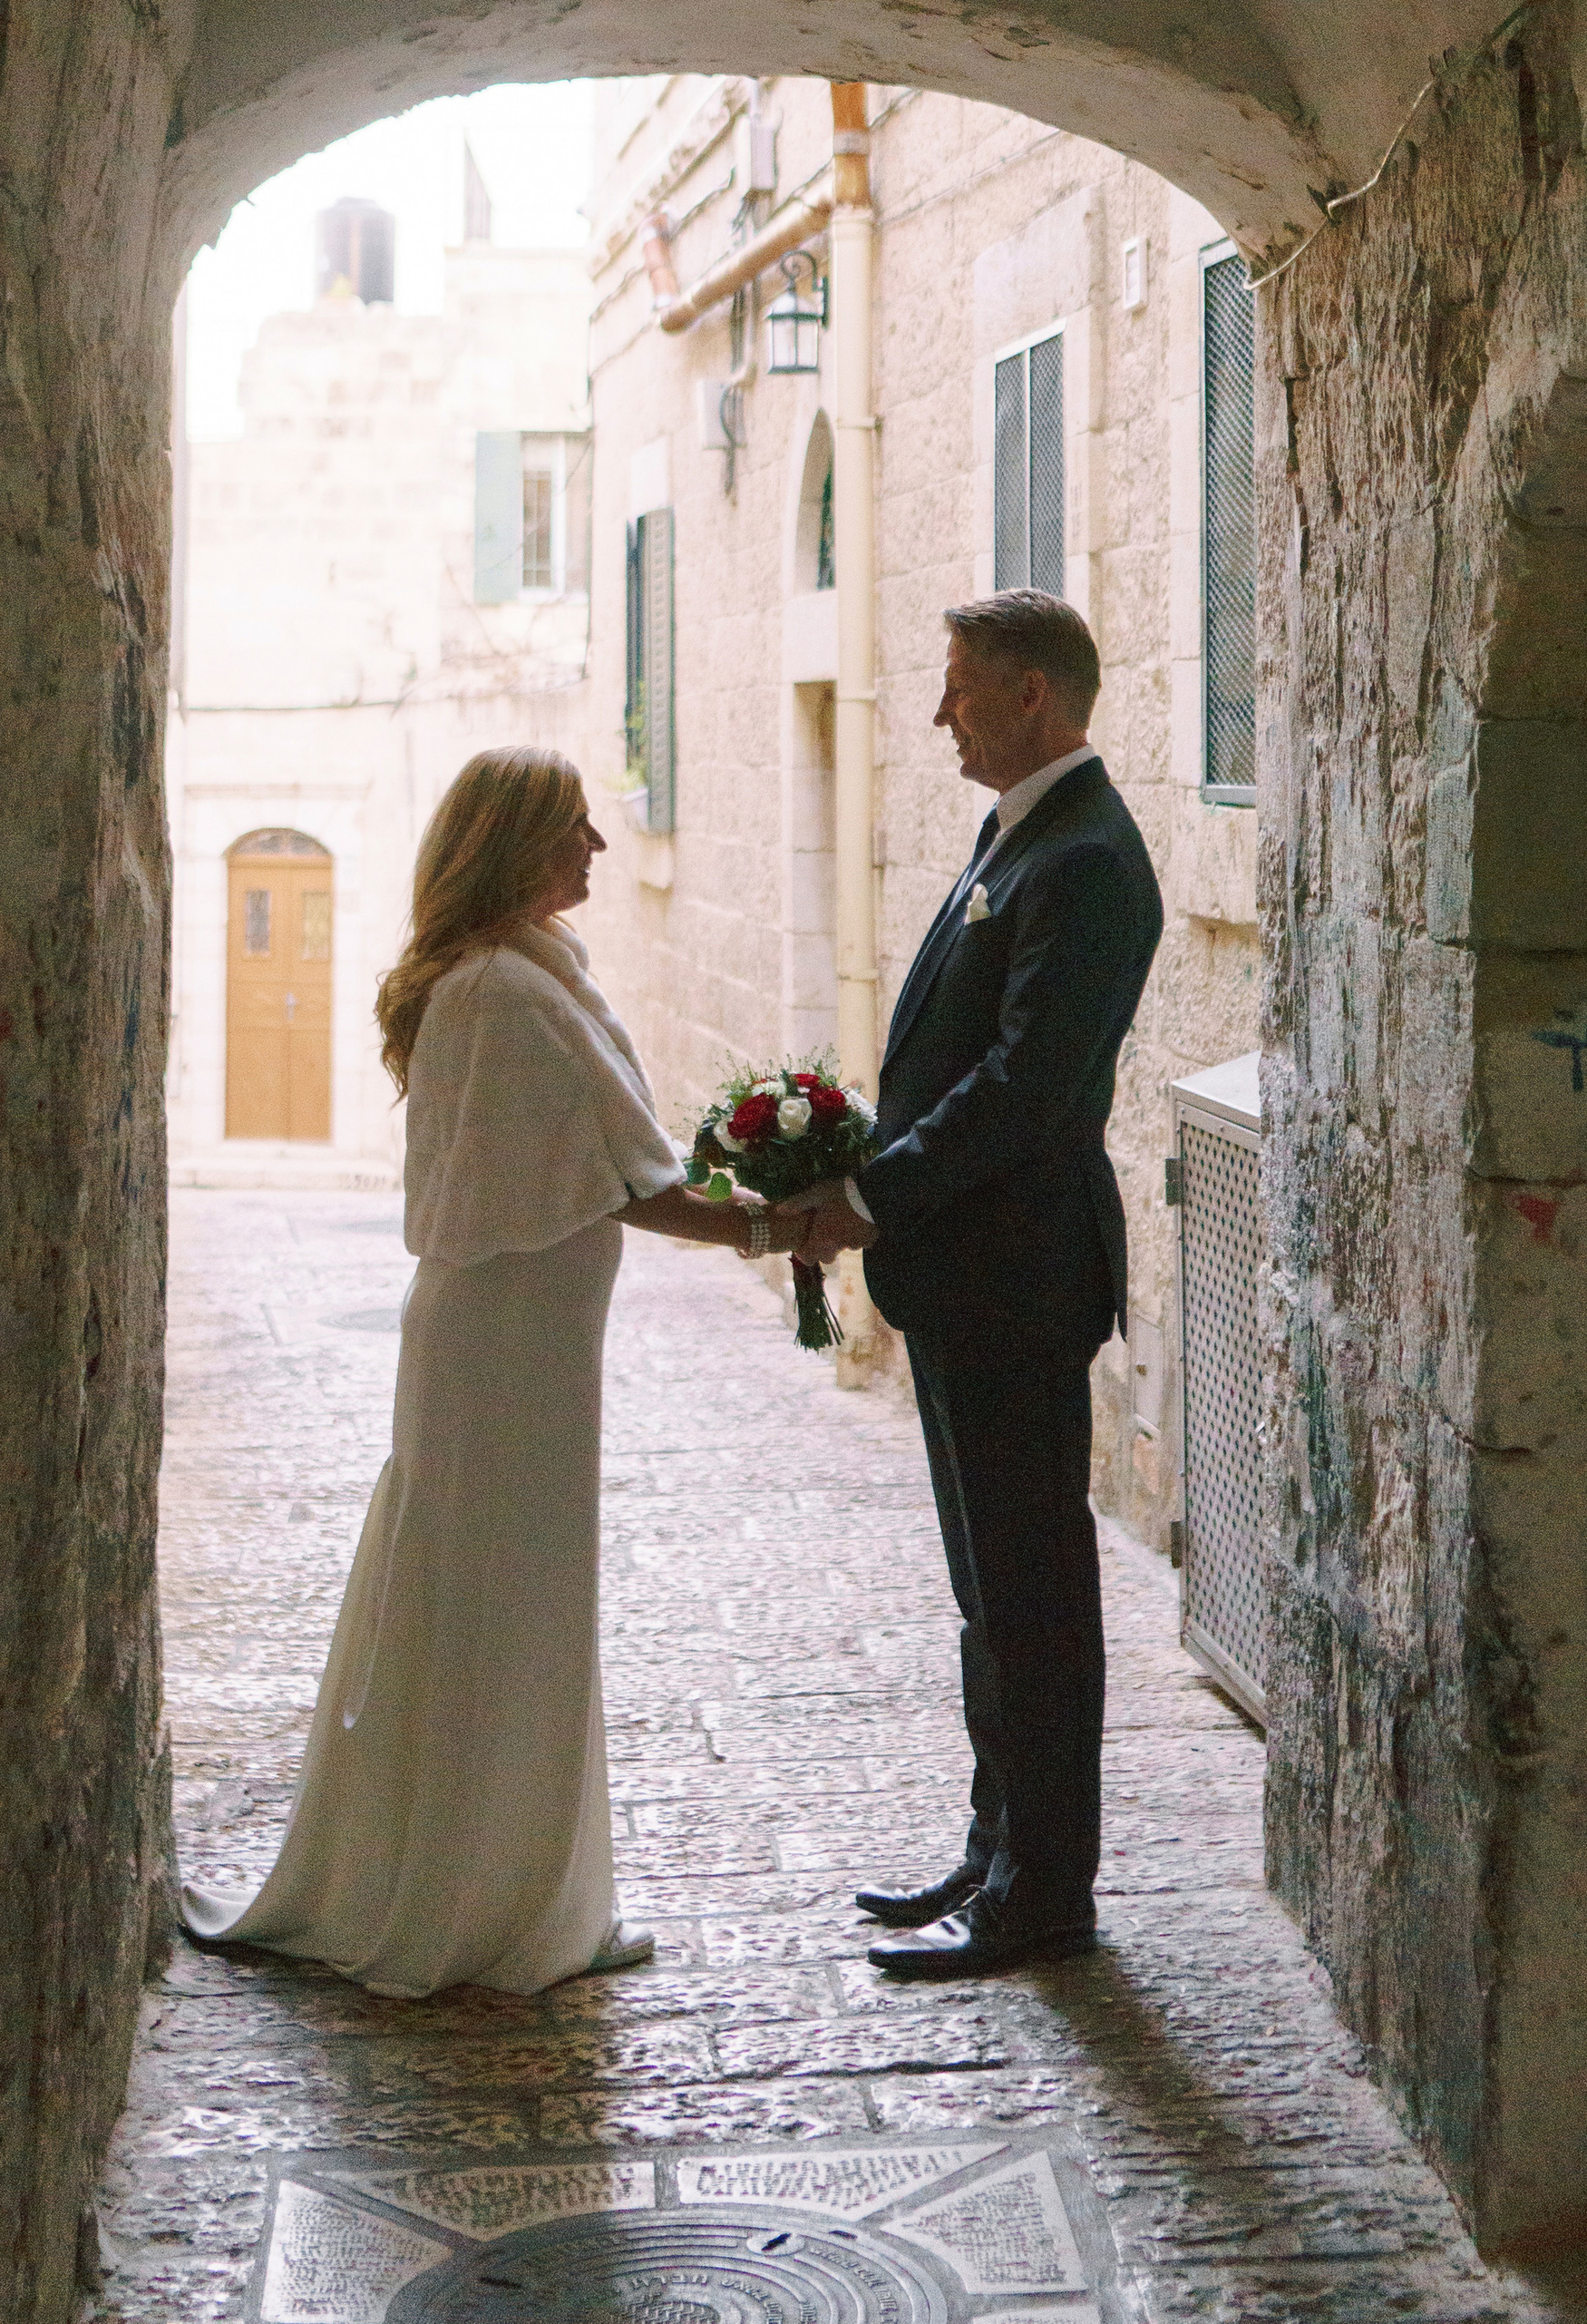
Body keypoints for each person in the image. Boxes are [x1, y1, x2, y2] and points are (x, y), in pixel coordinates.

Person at [182, 747, 812, 1997]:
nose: (597, 845)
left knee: (519, 1603)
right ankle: (481, 1906)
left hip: (529, 1343)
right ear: (515, 844)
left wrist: (765, 1203)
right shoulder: (500, 994)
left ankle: (524, 1887)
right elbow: (627, 1185)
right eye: (573, 826)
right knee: (498, 1611)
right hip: (504, 1352)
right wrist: (776, 1227)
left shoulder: (531, 967)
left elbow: (618, 1159)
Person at [796, 590, 1163, 1977]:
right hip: (967, 1275)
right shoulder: (1017, 834)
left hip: (1019, 1276)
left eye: (958, 685)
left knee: (1033, 1593)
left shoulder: (1089, 859)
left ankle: (1044, 1893)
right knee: (987, 1590)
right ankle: (995, 1843)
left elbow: (1024, 1087)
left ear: (1030, 696)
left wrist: (868, 1193)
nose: (937, 711)